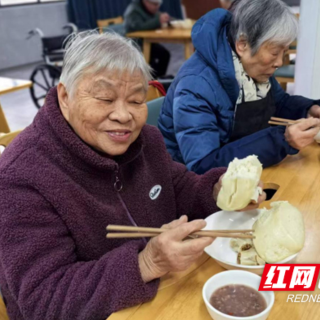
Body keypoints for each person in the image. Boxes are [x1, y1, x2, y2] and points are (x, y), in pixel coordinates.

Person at [0, 32, 265, 320]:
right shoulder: (21, 178)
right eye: (105, 98)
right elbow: (43, 302)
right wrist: (146, 263)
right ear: (65, 96)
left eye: (137, 100)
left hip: (168, 296)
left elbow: (177, 187)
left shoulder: (145, 141)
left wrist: (219, 190)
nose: (124, 116)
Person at [158, 0, 320, 174]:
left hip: (243, 172)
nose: (279, 62)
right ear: (242, 44)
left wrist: (308, 109)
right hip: (187, 183)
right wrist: (282, 140)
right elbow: (203, 166)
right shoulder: (196, 85)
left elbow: (278, 103)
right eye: (274, 53)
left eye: (284, 53)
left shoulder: (252, 68)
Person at [124, 0, 171, 78]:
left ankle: (156, 79)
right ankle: (150, 80)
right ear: (145, 1)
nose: (157, 7)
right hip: (135, 44)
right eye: (155, 4)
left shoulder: (148, 9)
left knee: (164, 54)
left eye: (158, 5)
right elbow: (139, 27)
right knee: (153, 58)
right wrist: (158, 20)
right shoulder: (133, 11)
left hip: (147, 42)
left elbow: (155, 18)